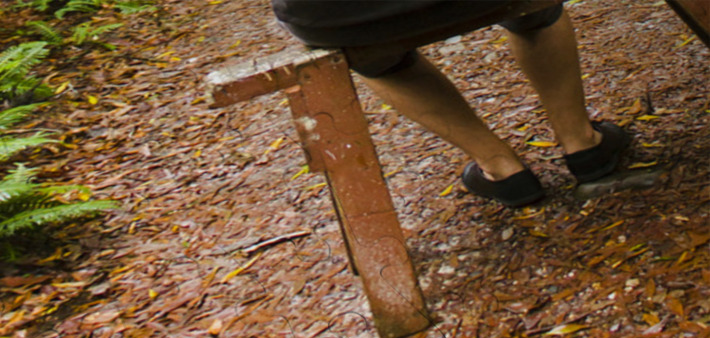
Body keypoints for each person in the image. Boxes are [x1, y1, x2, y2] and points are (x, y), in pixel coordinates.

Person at [271, 0, 633, 206]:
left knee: (377, 61)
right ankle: (582, 144)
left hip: (337, 13)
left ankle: (501, 169)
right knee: (536, 14)